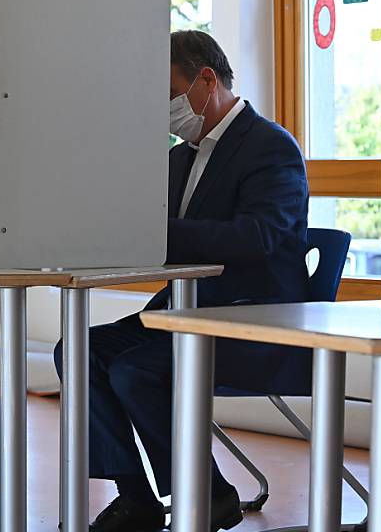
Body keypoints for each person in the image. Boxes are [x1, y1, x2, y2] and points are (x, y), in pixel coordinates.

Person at [54, 30, 312, 532]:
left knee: (135, 371)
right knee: (77, 351)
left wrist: (155, 232)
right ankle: (136, 497)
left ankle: (207, 493)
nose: (162, 110)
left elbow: (259, 235)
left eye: (165, 94)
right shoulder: (177, 159)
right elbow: (153, 234)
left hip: (253, 320)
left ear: (206, 80)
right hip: (183, 311)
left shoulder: (270, 146)